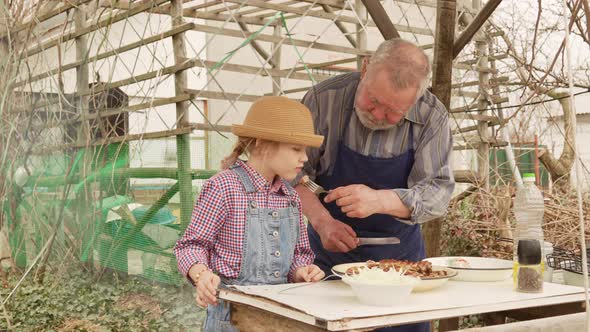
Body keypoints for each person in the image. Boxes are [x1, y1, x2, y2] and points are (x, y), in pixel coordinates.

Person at [295, 38, 454, 332]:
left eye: (394, 111)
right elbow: (294, 176)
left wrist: (380, 201)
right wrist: (322, 222)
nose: (378, 115)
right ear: (365, 67)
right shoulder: (322, 101)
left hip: (402, 273)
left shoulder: (433, 117)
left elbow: (438, 193)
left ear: (415, 99)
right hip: (325, 265)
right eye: (373, 100)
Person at [175, 96, 326, 332]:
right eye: (296, 148)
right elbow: (190, 245)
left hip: (280, 318)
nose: (305, 158)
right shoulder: (224, 187)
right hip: (231, 320)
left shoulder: (291, 197)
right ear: (262, 145)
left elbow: (299, 253)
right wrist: (201, 275)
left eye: (305, 150)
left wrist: (301, 271)